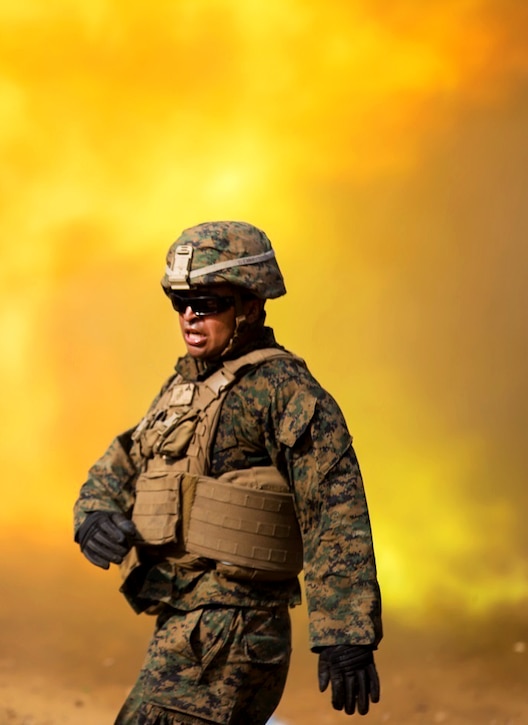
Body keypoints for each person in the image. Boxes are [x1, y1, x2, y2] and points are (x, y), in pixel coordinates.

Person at [73, 221, 383, 724]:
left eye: (208, 303)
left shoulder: (282, 391)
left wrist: (346, 632)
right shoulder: (184, 388)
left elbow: (335, 509)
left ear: (251, 304)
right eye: (180, 303)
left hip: (234, 629)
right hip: (185, 621)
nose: (190, 317)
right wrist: (94, 514)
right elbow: (124, 460)